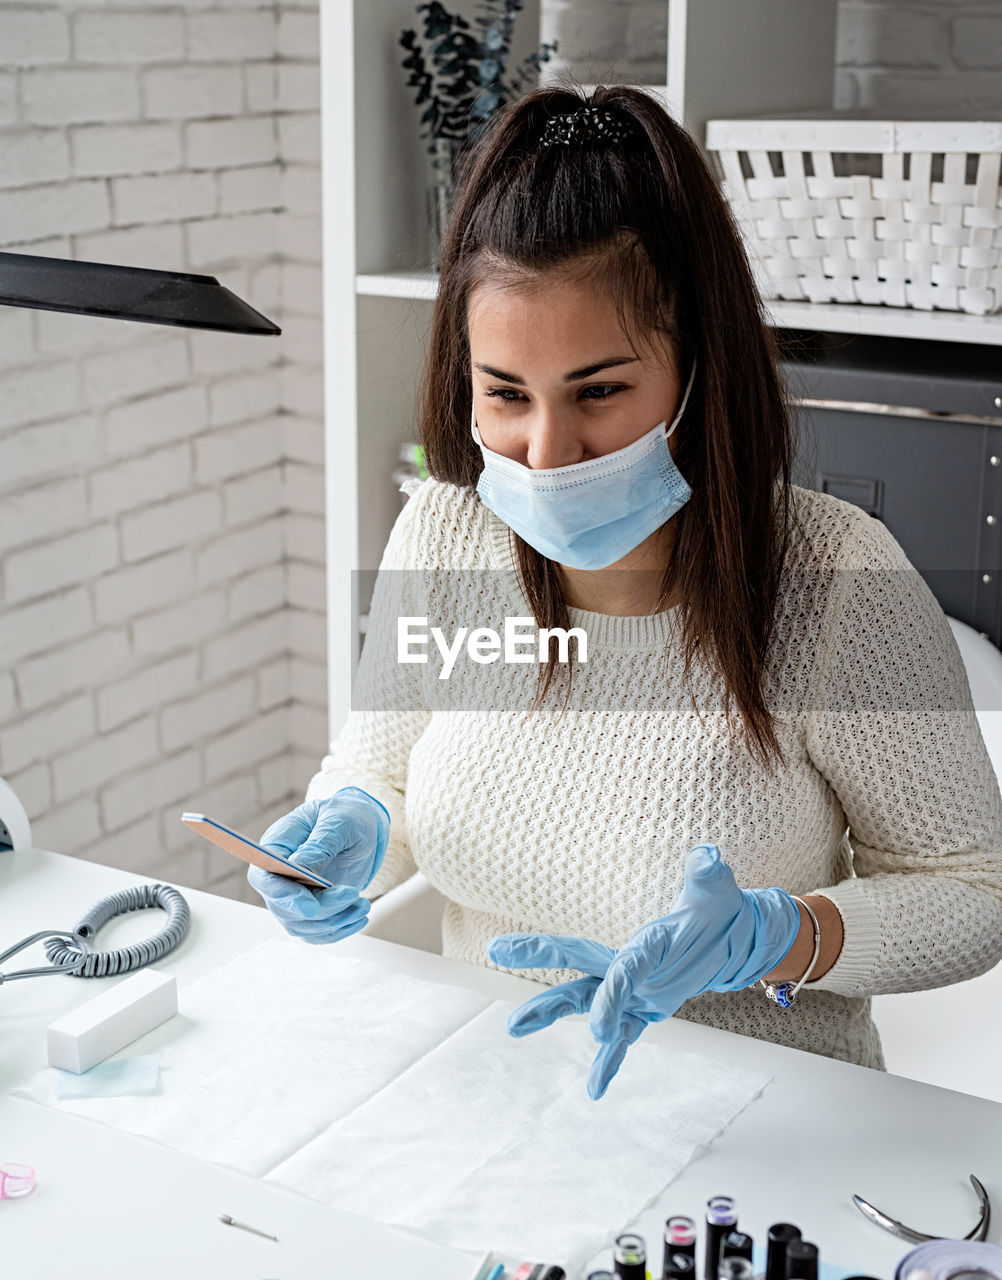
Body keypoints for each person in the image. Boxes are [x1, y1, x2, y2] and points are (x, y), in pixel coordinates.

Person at [248, 86, 1002, 1099]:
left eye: (600, 391)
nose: (549, 454)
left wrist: (782, 937)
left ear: (699, 371)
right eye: (506, 393)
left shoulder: (836, 584)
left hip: (760, 1137)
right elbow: (381, 766)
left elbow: (973, 891)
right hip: (498, 1103)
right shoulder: (443, 531)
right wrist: (350, 830)